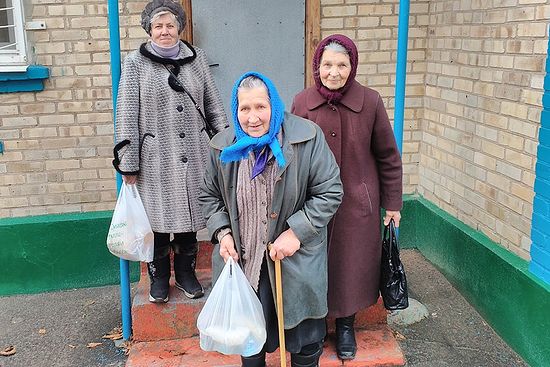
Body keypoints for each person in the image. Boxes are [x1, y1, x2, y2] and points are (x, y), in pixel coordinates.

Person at [199, 71, 343, 367]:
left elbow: (330, 191)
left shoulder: (306, 137)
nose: (253, 117)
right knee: (250, 344)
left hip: (295, 262)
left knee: (305, 344)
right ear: (235, 110)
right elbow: (208, 196)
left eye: (261, 107)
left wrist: (296, 232)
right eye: (245, 109)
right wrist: (222, 233)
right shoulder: (222, 146)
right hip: (245, 264)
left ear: (274, 106)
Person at [291, 34, 403, 361]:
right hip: (312, 204)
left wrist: (392, 203)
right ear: (317, 66)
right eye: (327, 64)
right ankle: (314, 325)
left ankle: (345, 325)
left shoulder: (370, 101)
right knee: (313, 264)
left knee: (351, 267)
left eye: (342, 64)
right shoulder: (301, 102)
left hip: (357, 205)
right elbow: (290, 153)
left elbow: (388, 156)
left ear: (352, 66)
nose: (334, 72)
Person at [113, 0, 227, 304]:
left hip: (195, 152)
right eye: (158, 26)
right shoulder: (135, 62)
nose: (165, 31)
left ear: (179, 28)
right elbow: (126, 113)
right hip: (155, 159)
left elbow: (213, 105)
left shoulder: (197, 58)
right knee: (158, 224)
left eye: (170, 25)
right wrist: (129, 163)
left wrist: (227, 145)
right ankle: (160, 278)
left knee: (189, 221)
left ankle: (187, 275)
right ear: (149, 30)